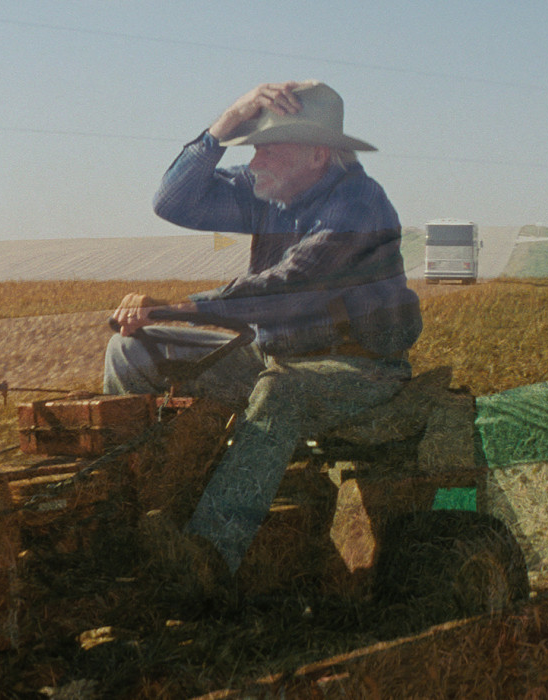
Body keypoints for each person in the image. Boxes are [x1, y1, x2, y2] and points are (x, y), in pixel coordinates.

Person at [106, 81, 421, 584]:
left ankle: (209, 554)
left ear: (318, 154)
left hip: (361, 369)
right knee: (131, 351)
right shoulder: (267, 191)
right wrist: (227, 121)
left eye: (268, 147)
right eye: (252, 147)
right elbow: (172, 201)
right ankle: (141, 510)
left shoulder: (359, 203)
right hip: (274, 354)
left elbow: (291, 288)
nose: (254, 161)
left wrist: (176, 308)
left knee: (281, 391)